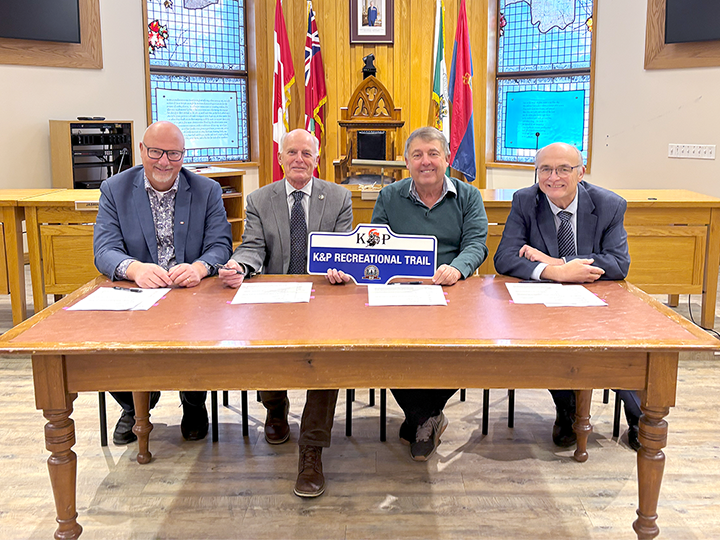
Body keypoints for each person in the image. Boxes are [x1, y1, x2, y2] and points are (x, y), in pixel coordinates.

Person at [328, 126, 488, 462]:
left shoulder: (468, 196)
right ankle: (425, 418)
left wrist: (457, 268)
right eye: (417, 155)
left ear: (447, 158)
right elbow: (374, 245)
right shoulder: (390, 196)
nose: (426, 161)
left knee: (464, 348)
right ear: (406, 161)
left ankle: (419, 418)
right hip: (400, 293)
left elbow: (477, 244)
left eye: (433, 154)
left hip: (451, 291)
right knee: (385, 347)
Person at [219, 129, 353, 498]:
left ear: (317, 159)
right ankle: (275, 407)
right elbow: (252, 248)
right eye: (291, 152)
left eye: (306, 153)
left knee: (327, 359)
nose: (299, 159)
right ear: (280, 158)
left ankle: (311, 448)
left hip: (323, 295)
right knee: (265, 344)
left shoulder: (339, 197)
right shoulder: (261, 199)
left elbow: (342, 249)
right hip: (273, 293)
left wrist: (340, 268)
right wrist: (238, 267)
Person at [493, 142, 641, 451]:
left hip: (595, 298)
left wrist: (556, 262)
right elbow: (504, 257)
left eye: (563, 169)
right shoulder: (525, 201)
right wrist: (554, 273)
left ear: (581, 172)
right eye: (545, 169)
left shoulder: (609, 204)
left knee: (620, 347)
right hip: (544, 303)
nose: (553, 177)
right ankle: (568, 410)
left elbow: (618, 263)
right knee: (549, 341)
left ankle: (639, 415)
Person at [94, 120, 233, 445]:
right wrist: (134, 269)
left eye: (173, 153)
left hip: (191, 293)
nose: (164, 161)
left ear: (183, 155)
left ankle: (194, 402)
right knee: (104, 339)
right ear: (142, 150)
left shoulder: (206, 190)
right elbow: (104, 250)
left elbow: (221, 245)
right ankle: (135, 405)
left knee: (205, 332)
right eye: (156, 152)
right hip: (137, 293)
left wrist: (200, 267)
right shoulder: (114, 189)